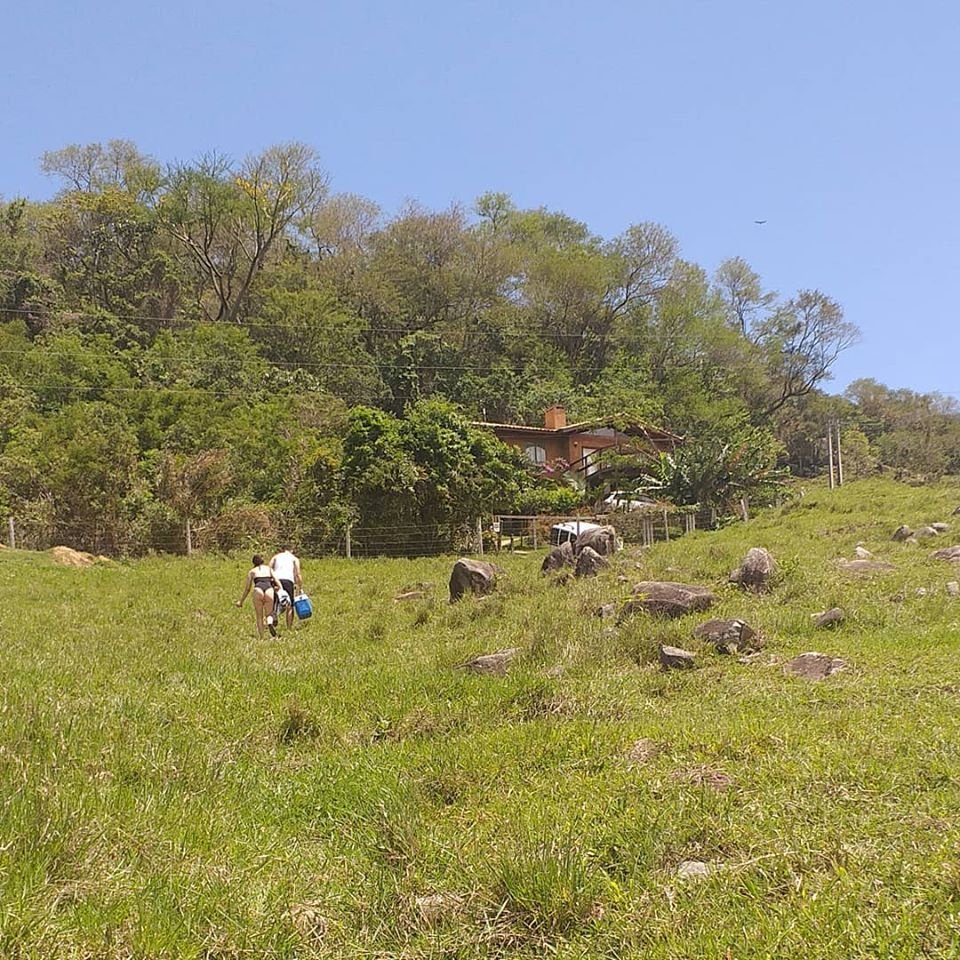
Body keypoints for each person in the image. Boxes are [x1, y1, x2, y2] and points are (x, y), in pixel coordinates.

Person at [235, 554, 283, 638]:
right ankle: (269, 623)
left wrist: (241, 601)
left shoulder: (252, 571)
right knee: (269, 614)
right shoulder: (269, 569)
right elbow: (277, 581)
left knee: (259, 616)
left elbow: (247, 589)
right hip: (269, 590)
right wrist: (279, 589)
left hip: (258, 590)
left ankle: (261, 637)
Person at [270, 543, 303, 629]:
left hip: (276, 580)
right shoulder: (294, 559)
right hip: (288, 581)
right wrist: (300, 587)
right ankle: (289, 627)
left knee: (274, 602)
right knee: (290, 605)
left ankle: (273, 617)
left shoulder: (276, 557)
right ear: (292, 551)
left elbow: (269, 568)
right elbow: (298, 574)